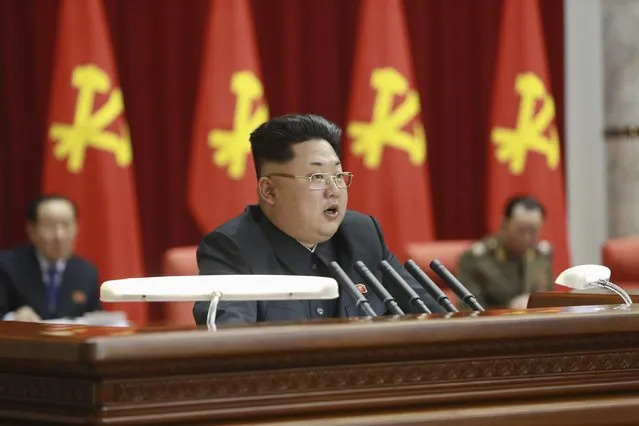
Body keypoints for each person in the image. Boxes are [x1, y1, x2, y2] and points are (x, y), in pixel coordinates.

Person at [193, 114, 444, 325]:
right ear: (269, 191)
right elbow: (230, 345)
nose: (333, 190)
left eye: (338, 176)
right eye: (316, 177)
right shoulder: (231, 249)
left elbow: (433, 319)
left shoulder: (363, 235)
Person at [0, 195, 102, 322]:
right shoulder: (7, 266)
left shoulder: (87, 272)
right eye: (49, 225)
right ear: (32, 230)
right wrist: (13, 317)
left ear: (76, 228)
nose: (59, 235)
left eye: (66, 225)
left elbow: (95, 319)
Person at [456, 195, 553, 310]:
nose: (527, 237)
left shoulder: (542, 253)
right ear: (504, 224)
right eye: (521, 230)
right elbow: (468, 310)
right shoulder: (477, 258)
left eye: (533, 231)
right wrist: (510, 309)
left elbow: (548, 299)